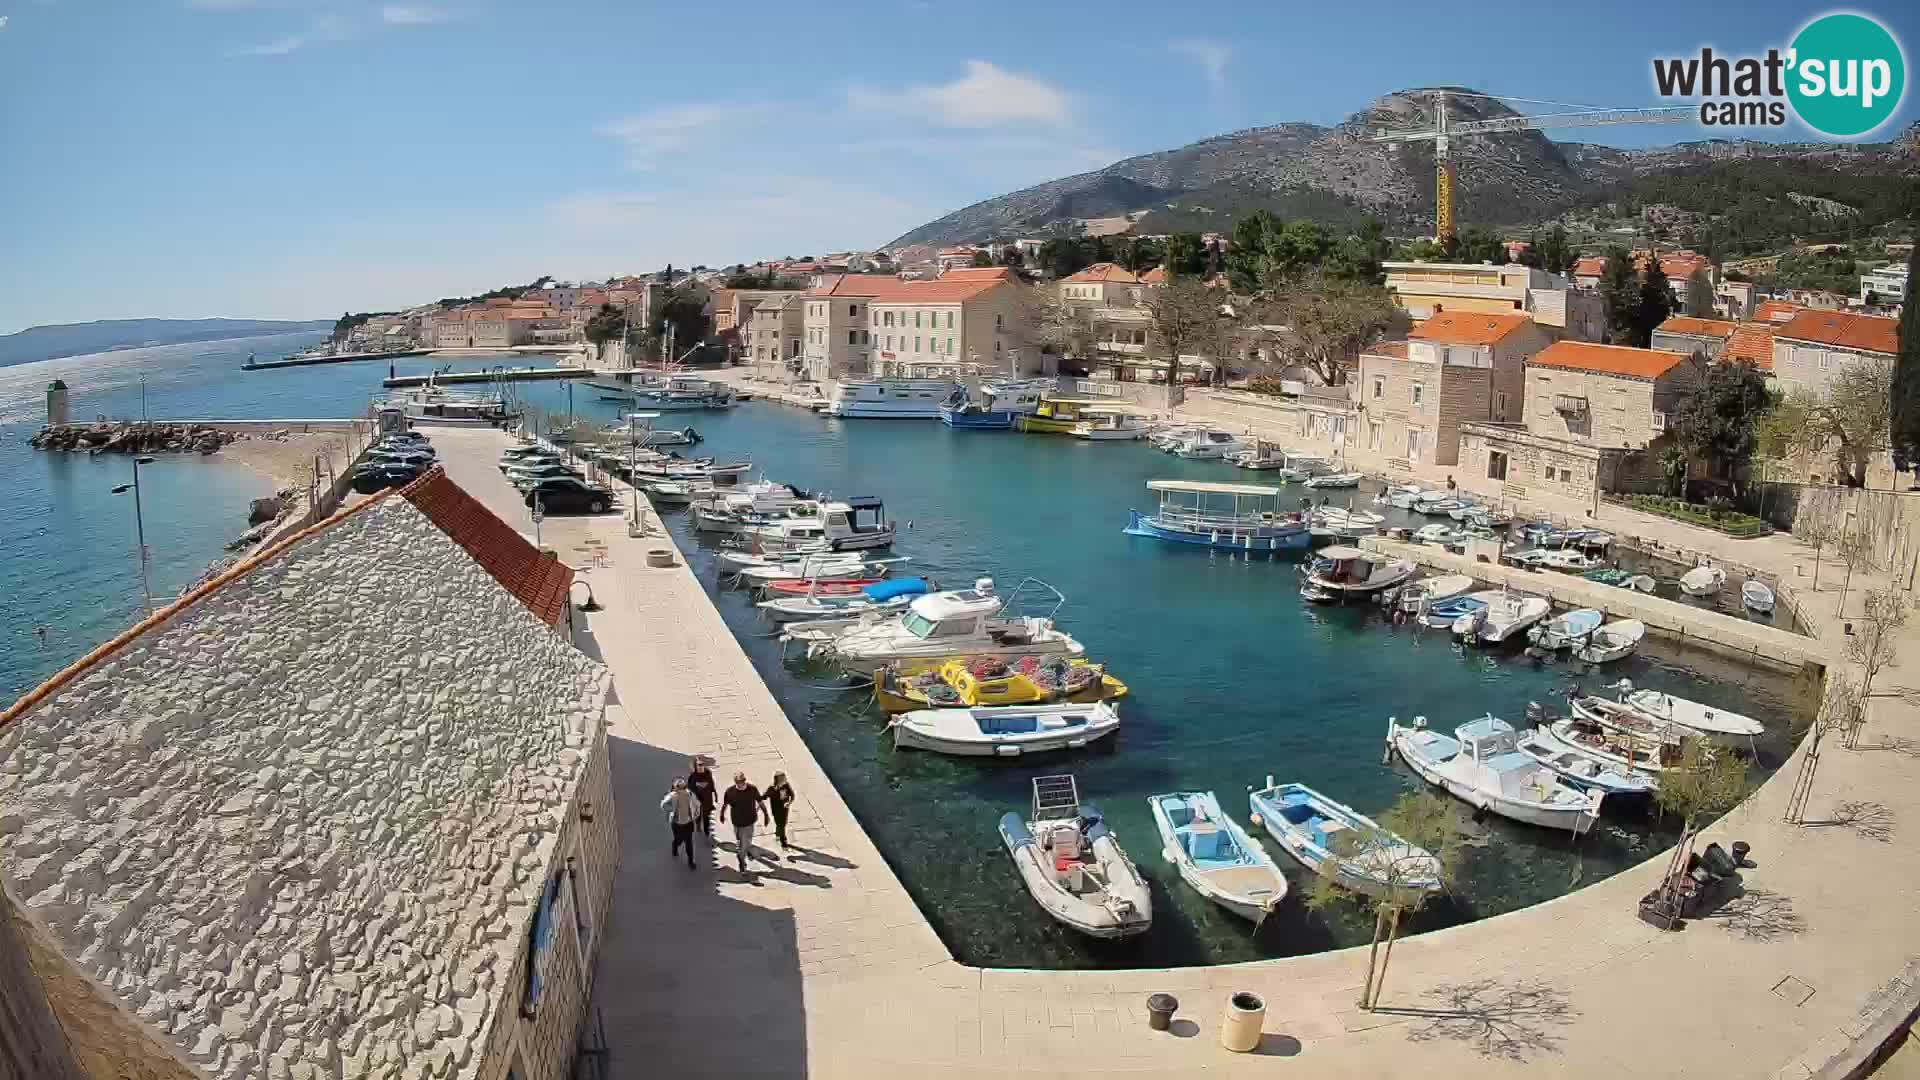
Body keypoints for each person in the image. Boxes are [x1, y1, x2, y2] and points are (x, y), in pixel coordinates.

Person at [718, 771, 768, 873]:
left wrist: (766, 814)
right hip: (736, 822)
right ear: (735, 782)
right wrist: (722, 815)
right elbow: (725, 804)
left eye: (742, 781)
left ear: (745, 780)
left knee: (744, 843)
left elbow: (760, 802)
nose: (741, 783)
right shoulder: (730, 791)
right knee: (740, 841)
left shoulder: (752, 789)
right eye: (738, 782)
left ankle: (741, 861)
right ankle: (744, 852)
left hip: (749, 822)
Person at [659, 778, 701, 870]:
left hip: (687, 822)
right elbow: (663, 805)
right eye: (679, 787)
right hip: (677, 823)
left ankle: (690, 861)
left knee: (688, 842)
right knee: (680, 839)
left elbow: (697, 804)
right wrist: (673, 809)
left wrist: (695, 814)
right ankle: (675, 847)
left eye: (682, 787)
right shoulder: (673, 795)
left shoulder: (689, 794)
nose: (681, 789)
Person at [687, 757, 717, 837]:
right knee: (698, 815)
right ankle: (698, 825)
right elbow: (690, 788)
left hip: (707, 800)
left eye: (702, 764)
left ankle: (707, 833)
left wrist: (714, 794)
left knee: (706, 816)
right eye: (699, 765)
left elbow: (711, 785)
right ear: (695, 766)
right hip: (697, 800)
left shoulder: (708, 774)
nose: (701, 766)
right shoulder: (693, 776)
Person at [765, 771, 795, 850]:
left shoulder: (786, 785)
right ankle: (784, 842)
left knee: (783, 824)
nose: (785, 779)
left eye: (784, 778)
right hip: (776, 810)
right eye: (783, 778)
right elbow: (765, 796)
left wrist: (789, 802)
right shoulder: (772, 788)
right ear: (778, 780)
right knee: (780, 824)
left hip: (785, 809)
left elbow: (792, 795)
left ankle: (778, 833)